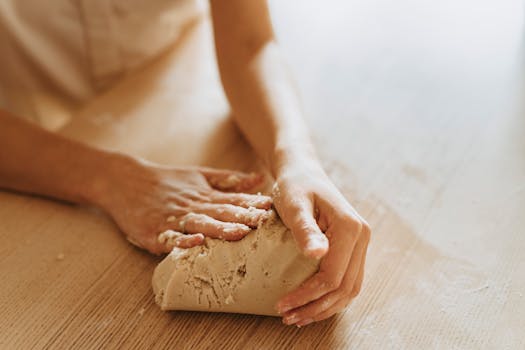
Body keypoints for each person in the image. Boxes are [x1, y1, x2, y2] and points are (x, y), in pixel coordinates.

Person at [0, 0, 370, 327]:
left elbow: (250, 43)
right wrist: (110, 178)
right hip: (26, 128)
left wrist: (296, 160)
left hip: (169, 80)